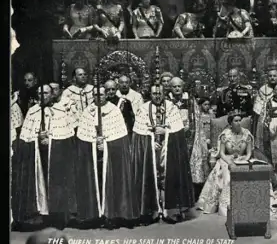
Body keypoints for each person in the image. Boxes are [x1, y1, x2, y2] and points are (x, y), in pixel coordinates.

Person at [12, 85, 77, 229]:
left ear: (52, 94)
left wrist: (52, 140)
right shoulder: (32, 111)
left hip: (56, 158)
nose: (43, 96)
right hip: (37, 157)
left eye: (46, 93)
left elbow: (67, 138)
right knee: (39, 184)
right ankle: (40, 217)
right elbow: (25, 138)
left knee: (56, 184)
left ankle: (57, 217)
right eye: (40, 93)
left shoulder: (60, 111)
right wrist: (37, 138)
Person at [75, 86, 139, 229]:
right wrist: (94, 143)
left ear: (106, 95)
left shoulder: (114, 111)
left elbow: (120, 139)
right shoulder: (87, 111)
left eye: (102, 94)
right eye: (95, 94)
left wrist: (107, 145)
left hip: (111, 158)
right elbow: (83, 138)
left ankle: (112, 215)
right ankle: (94, 216)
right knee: (94, 182)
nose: (99, 97)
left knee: (112, 181)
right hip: (93, 157)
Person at [132, 84, 195, 224]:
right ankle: (152, 211)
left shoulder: (171, 107)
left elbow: (177, 132)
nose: (157, 96)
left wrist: (166, 133)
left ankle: (169, 210)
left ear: (163, 93)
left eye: (159, 93)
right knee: (151, 176)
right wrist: (150, 141)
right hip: (151, 149)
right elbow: (139, 134)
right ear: (150, 94)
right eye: (154, 94)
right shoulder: (143, 109)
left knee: (168, 176)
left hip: (167, 149)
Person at [196, 110, 254, 216]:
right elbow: (222, 153)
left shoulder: (247, 134)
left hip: (242, 159)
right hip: (227, 159)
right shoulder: (225, 134)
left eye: (240, 120)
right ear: (231, 123)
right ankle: (227, 205)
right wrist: (230, 162)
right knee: (226, 175)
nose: (239, 123)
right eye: (236, 121)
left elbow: (249, 153)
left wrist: (244, 160)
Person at [252, 67, 277, 150]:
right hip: (266, 119)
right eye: (270, 76)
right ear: (267, 77)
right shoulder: (263, 89)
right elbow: (258, 108)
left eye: (274, 76)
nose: (272, 78)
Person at [189, 97, 216, 201]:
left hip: (209, 141)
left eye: (208, 104)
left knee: (208, 164)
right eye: (204, 104)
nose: (207, 106)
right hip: (200, 140)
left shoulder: (212, 115)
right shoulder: (198, 116)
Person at [168, 77, 197, 155]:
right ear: (170, 88)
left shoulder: (189, 99)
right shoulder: (167, 100)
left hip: (187, 131)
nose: (177, 88)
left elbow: (193, 117)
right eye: (174, 87)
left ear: (182, 87)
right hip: (172, 131)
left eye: (179, 86)